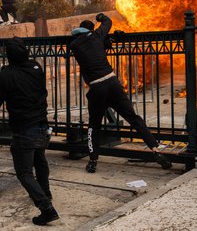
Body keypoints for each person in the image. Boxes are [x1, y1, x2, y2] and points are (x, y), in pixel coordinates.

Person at [69, 13, 172, 173]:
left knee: (93, 126)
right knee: (134, 118)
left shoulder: (74, 45)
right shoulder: (97, 36)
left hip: (97, 88)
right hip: (112, 82)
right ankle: (155, 149)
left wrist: (106, 42)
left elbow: (91, 51)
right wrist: (101, 18)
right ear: (92, 29)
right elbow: (108, 22)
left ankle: (93, 161)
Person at [0, 37, 59, 226]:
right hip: (42, 125)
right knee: (39, 159)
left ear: (8, 56)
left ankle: (46, 208)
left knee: (24, 173)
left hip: (24, 129)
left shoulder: (6, 75)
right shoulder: (35, 68)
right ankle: (46, 193)